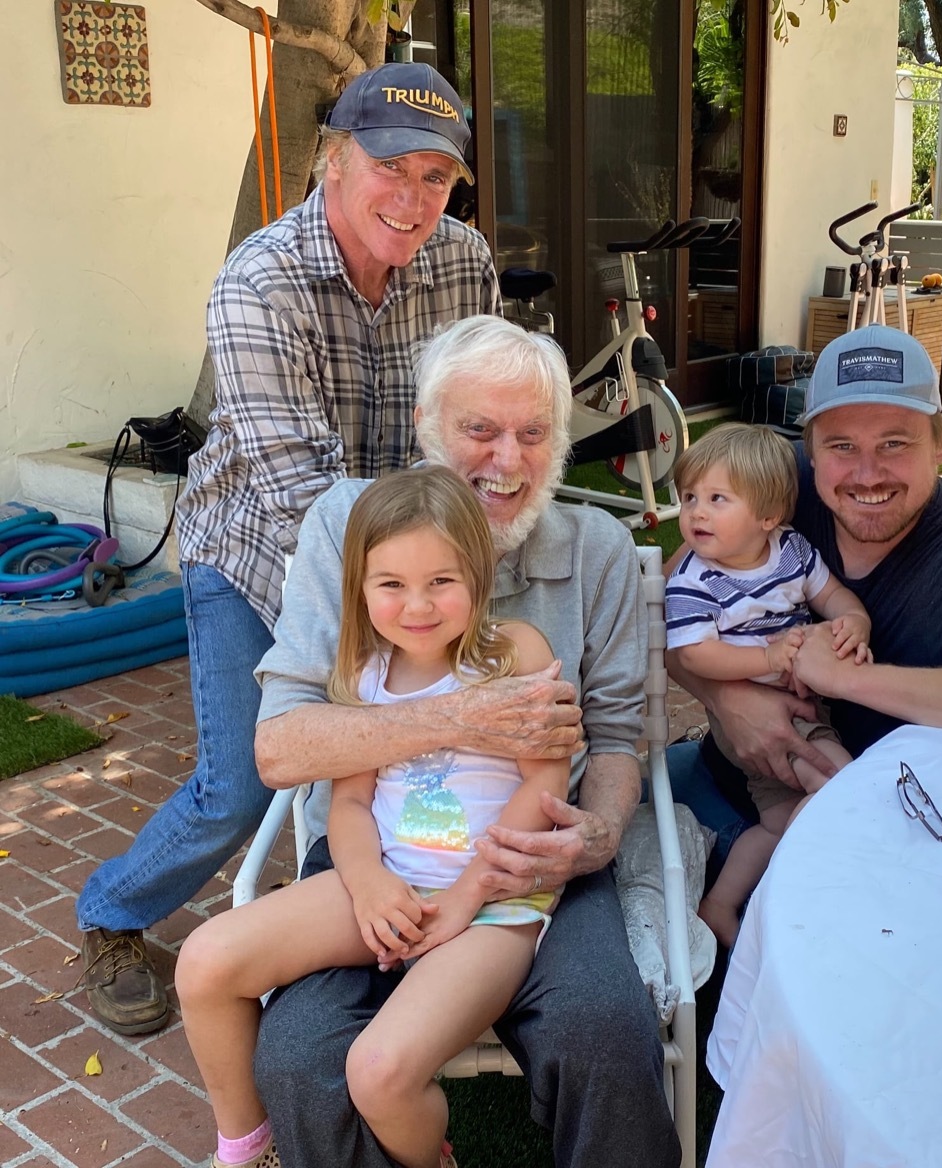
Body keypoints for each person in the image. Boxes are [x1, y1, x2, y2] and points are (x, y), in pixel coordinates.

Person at [75, 61, 501, 1036]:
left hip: (406, 565)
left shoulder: (464, 261)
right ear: (332, 160)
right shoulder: (257, 281)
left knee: (414, 754)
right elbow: (302, 496)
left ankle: (404, 918)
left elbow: (470, 428)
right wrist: (407, 619)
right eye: (393, 167)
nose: (414, 198)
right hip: (256, 553)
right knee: (241, 784)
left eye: (438, 177)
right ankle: (111, 912)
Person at [250, 314, 681, 1168]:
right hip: (371, 847)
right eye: (479, 430)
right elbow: (283, 749)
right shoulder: (349, 526)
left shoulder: (594, 548)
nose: (507, 461)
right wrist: (461, 719)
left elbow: (620, 737)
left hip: (534, 852)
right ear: (425, 428)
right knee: (298, 1059)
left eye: (533, 434)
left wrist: (590, 838)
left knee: (603, 1027)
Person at [177, 466, 568, 1168]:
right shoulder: (363, 675)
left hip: (496, 903)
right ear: (358, 587)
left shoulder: (518, 655)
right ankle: (249, 1152)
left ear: (479, 573)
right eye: (390, 584)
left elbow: (544, 792)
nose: (417, 605)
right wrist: (367, 885)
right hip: (389, 881)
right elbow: (350, 804)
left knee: (380, 1073)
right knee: (204, 963)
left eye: (441, 581)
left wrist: (467, 894)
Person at [668, 324, 942, 872]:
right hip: (726, 804)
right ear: (811, 449)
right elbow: (666, 604)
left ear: (940, 445)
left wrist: (844, 677)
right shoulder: (779, 487)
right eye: (842, 445)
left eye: (895, 442)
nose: (867, 474)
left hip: (890, 838)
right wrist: (728, 700)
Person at [665, 422, 871, 946]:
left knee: (778, 821)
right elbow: (695, 653)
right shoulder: (694, 578)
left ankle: (720, 905)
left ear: (767, 517)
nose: (696, 512)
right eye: (689, 497)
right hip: (761, 721)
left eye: (716, 498)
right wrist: (767, 654)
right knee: (843, 784)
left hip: (803, 708)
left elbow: (834, 597)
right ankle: (800, 913)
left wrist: (855, 621)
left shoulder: (791, 552)